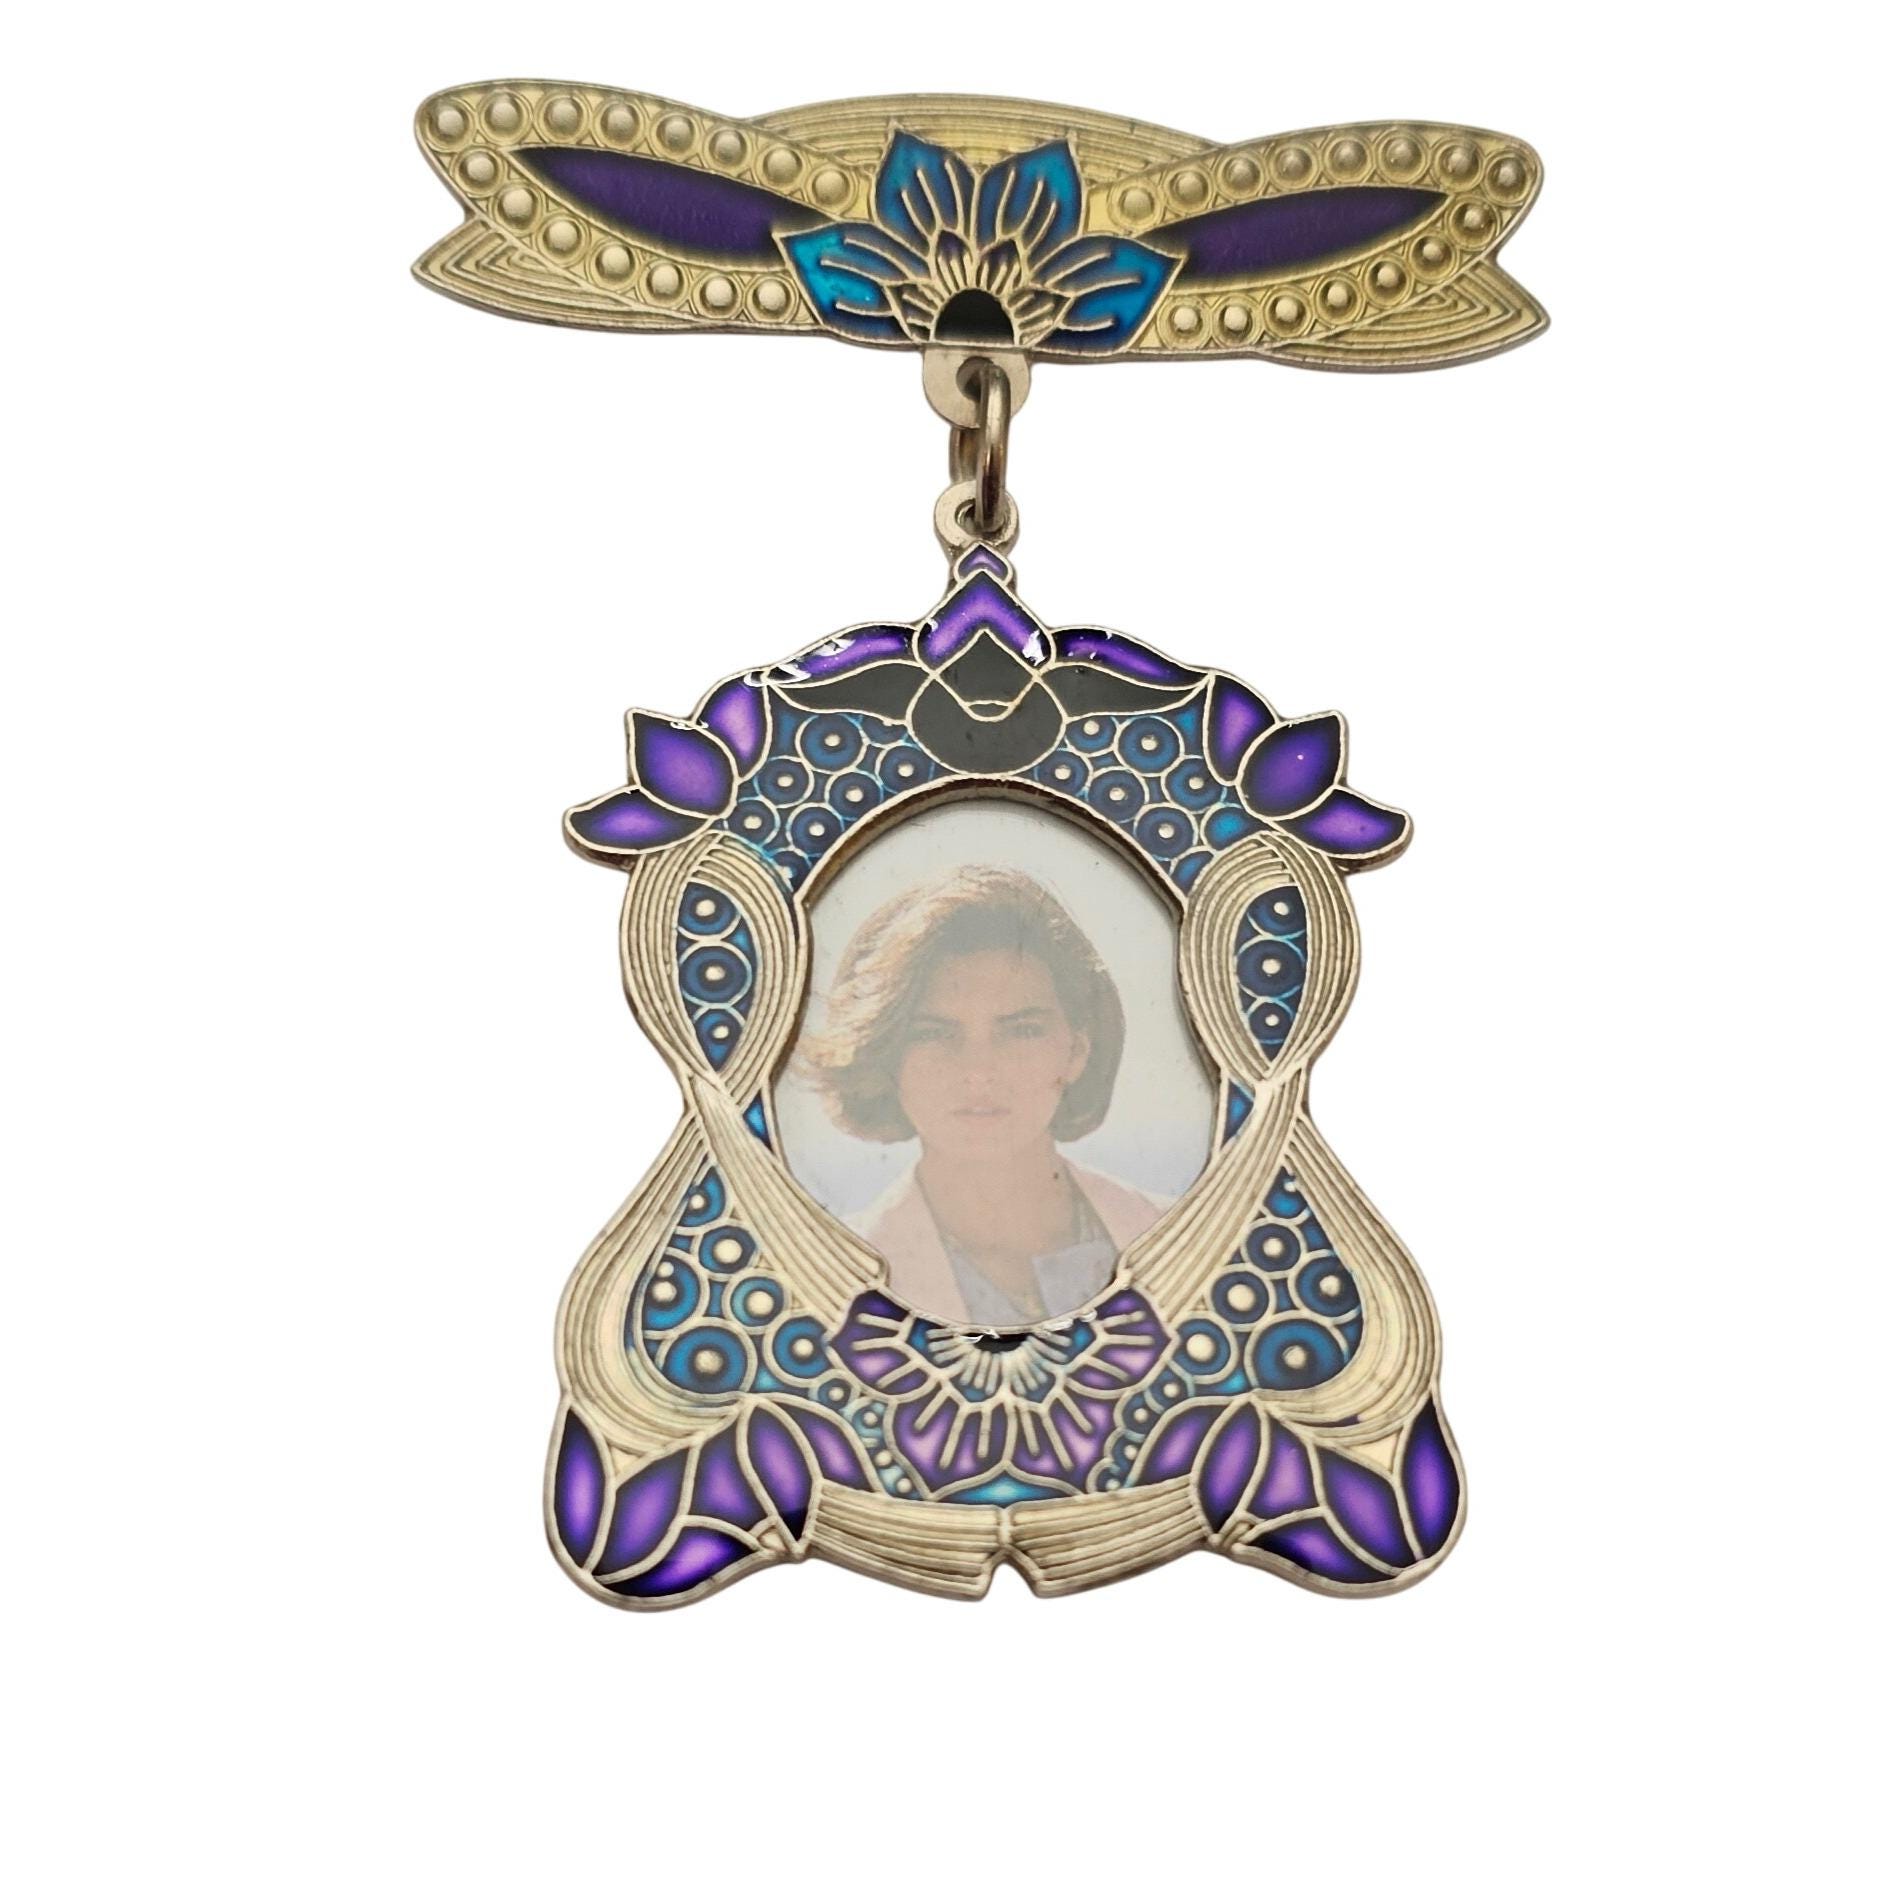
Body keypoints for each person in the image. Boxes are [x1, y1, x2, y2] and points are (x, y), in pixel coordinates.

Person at [799, 865, 1166, 1324]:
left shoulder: (1182, 1238)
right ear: (886, 1058)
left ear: (1076, 1050)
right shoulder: (823, 1286)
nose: (978, 1073)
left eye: (1021, 1030)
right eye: (934, 1033)